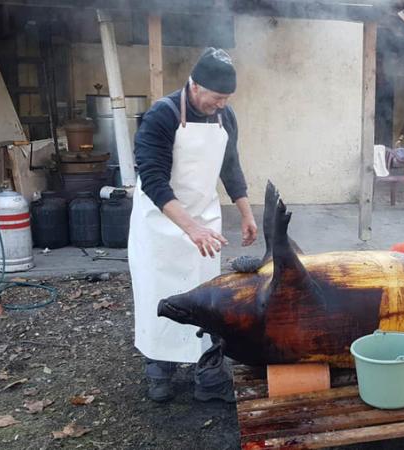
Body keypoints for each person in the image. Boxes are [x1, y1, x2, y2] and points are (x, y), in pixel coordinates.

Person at [129, 48, 258, 403]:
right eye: (217, 97)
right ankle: (160, 369)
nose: (221, 104)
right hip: (160, 222)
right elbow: (153, 180)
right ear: (195, 85)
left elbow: (230, 167)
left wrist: (246, 213)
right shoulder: (162, 115)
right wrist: (190, 228)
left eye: (227, 98)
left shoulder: (225, 117)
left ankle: (209, 376)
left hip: (203, 218)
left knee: (206, 297)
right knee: (160, 293)